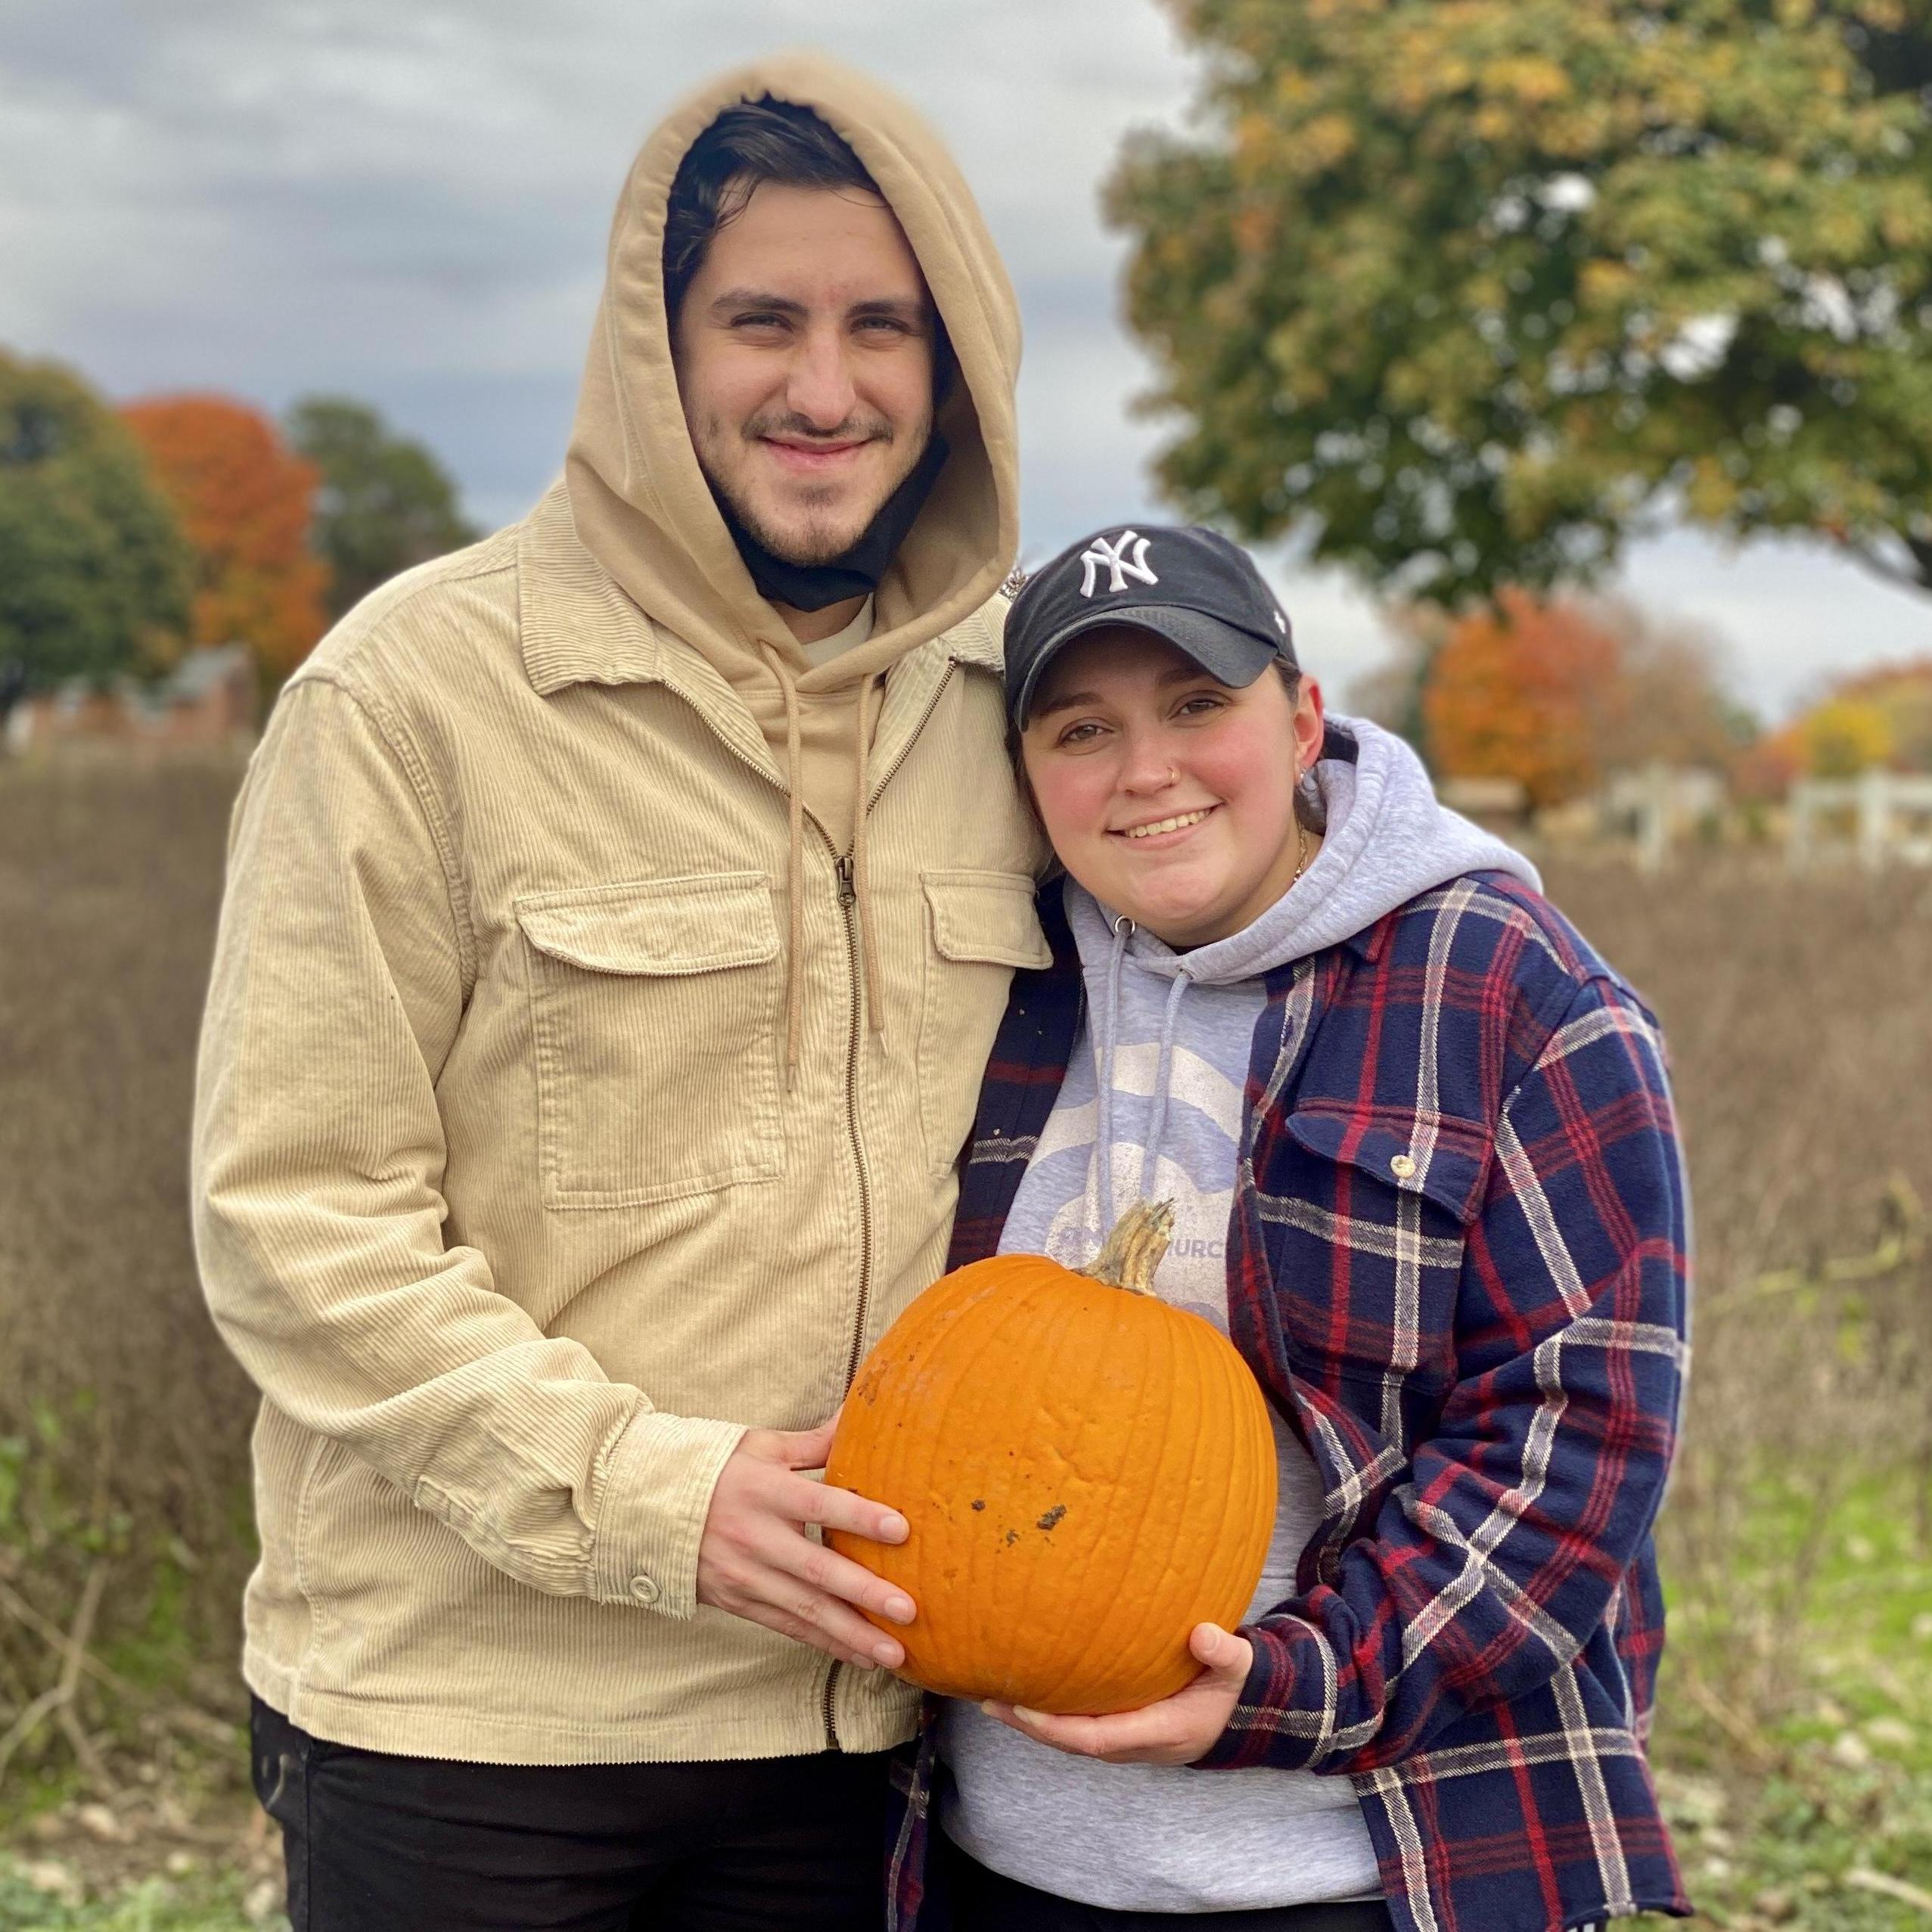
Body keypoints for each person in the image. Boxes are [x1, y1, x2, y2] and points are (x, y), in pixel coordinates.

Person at [192, 54, 1042, 1932]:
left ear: (952, 363)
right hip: (470, 1727)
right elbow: (293, 1213)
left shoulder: (1017, 709)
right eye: (763, 319)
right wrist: (655, 1494)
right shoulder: (410, 696)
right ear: (655, 354)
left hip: (872, 1724)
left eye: (881, 326)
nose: (825, 388)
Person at [884, 525, 1692, 1932]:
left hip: (1362, 1864)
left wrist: (1289, 1690)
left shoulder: (1510, 991)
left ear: (1303, 716)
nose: (1147, 770)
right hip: (987, 1848)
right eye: (1084, 728)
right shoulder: (998, 981)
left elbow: (1578, 1436)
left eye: (1198, 706)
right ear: (1026, 775)